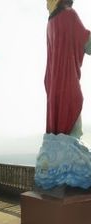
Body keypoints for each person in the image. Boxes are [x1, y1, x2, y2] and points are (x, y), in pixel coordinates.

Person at [45, 0, 91, 137]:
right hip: (68, 82)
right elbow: (88, 44)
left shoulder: (50, 24)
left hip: (54, 86)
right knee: (73, 128)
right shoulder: (69, 15)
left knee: (60, 126)